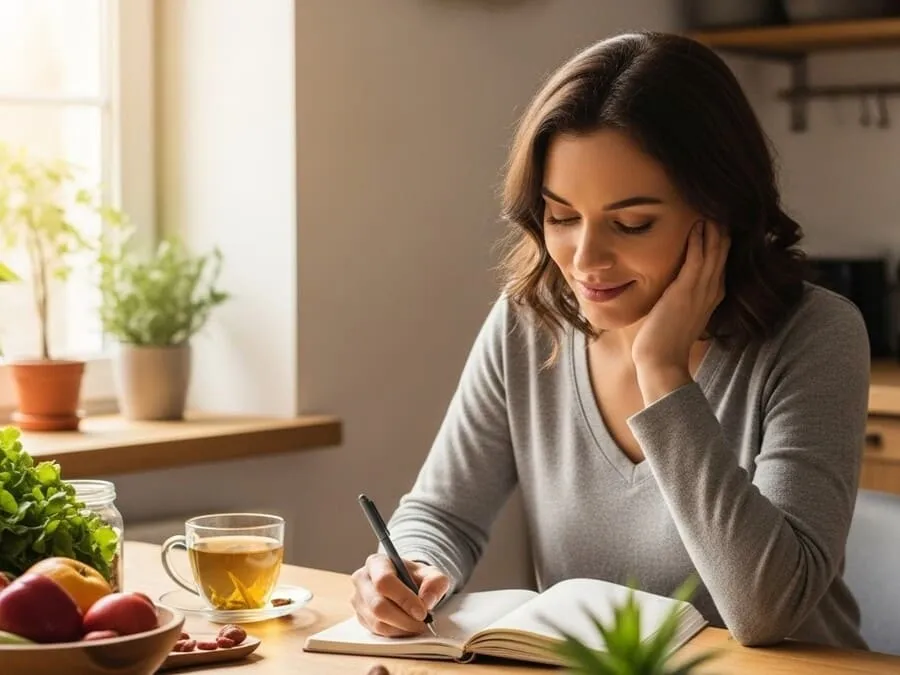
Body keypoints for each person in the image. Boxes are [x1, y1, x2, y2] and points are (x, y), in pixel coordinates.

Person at [350, 31, 870, 650]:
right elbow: (443, 514)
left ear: (721, 211)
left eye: (631, 223)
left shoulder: (815, 336)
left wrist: (662, 373)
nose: (584, 259)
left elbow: (766, 611)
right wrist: (406, 567)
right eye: (561, 217)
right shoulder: (529, 320)